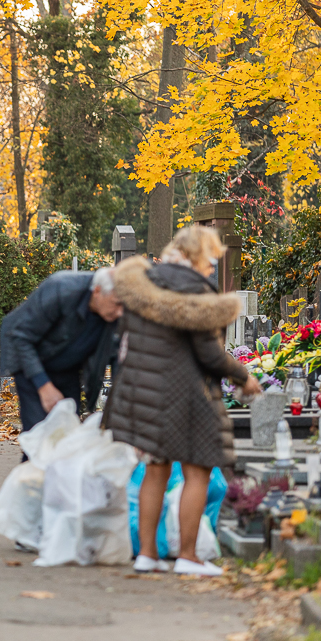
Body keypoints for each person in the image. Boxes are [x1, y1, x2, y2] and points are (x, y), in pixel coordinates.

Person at [105, 226, 261, 576]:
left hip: (143, 393)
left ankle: (146, 554)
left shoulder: (145, 282)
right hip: (186, 394)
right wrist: (244, 377)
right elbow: (210, 355)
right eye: (210, 260)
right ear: (196, 256)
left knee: (155, 470)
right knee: (199, 470)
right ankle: (188, 557)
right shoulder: (197, 292)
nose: (211, 268)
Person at [0, 266, 123, 437]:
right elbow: (21, 337)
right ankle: (33, 462)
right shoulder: (61, 289)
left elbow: (117, 358)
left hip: (68, 369)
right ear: (97, 291)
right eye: (116, 304)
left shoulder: (112, 316)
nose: (120, 312)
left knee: (66, 435)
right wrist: (44, 387)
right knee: (39, 434)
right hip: (32, 365)